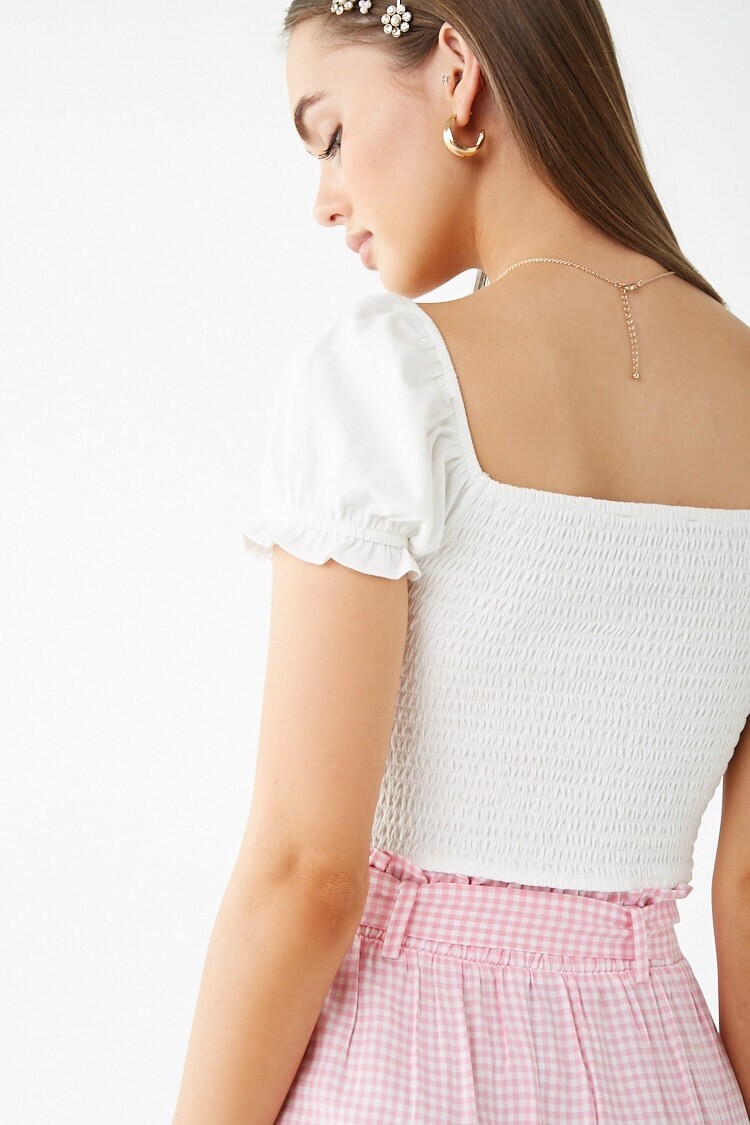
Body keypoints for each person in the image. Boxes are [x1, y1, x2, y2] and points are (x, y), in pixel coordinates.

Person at [171, 2, 750, 1122]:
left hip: (400, 1067)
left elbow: (305, 874)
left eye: (332, 133)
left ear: (455, 70)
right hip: (665, 1076)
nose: (324, 197)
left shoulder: (388, 379)